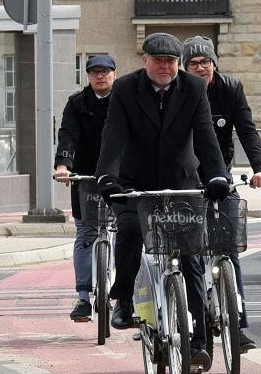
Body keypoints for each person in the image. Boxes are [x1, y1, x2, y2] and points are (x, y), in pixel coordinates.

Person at [95, 33, 230, 371]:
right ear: (146, 61)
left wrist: (217, 176)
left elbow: (206, 137)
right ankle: (123, 298)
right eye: (159, 61)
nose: (166, 67)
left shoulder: (194, 89)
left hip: (181, 179)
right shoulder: (125, 89)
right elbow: (113, 137)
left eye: (171, 61)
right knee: (128, 231)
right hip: (134, 182)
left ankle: (199, 338)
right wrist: (106, 178)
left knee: (191, 258)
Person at [183, 36, 261, 352]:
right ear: (185, 67)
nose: (200, 67)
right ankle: (189, 318)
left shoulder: (230, 89)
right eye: (193, 63)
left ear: (214, 64)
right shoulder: (179, 92)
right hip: (187, 177)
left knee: (229, 249)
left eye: (205, 62)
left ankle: (239, 326)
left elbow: (246, 129)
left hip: (222, 178)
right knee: (186, 251)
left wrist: (260, 167)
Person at [53, 54, 118, 322]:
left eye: (105, 71)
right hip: (86, 176)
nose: (100, 76)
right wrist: (63, 166)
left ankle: (124, 296)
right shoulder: (77, 103)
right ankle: (82, 298)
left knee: (128, 231)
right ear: (87, 76)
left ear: (114, 73)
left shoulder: (124, 100)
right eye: (94, 72)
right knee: (85, 233)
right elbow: (67, 134)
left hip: (119, 175)